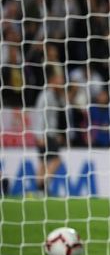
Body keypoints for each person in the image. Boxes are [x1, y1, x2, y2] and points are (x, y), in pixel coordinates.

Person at [30, 65, 69, 195]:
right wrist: (40, 136)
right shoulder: (47, 96)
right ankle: (42, 186)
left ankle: (40, 190)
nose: (62, 81)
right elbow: (41, 116)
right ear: (52, 80)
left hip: (48, 134)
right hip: (46, 134)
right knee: (56, 160)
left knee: (43, 162)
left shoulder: (55, 95)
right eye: (59, 79)